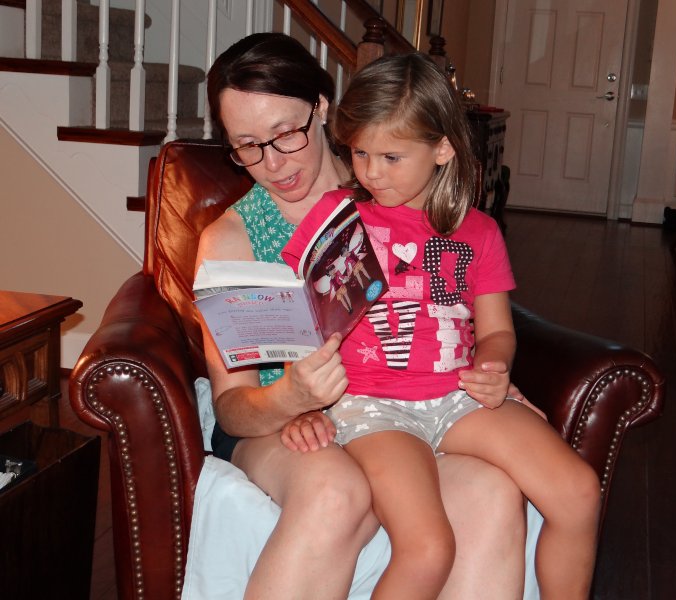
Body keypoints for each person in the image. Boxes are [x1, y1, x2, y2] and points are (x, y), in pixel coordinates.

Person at [196, 32, 533, 599]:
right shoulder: (230, 240)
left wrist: (489, 374)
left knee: (492, 491)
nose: (273, 163)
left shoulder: (397, 182)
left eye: (286, 133)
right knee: (336, 491)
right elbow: (232, 407)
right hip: (281, 427)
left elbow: (459, 302)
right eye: (247, 146)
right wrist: (291, 400)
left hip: (409, 407)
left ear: (322, 108)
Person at [281, 53, 602, 600]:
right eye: (359, 153)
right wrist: (302, 401)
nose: (371, 172)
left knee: (579, 491)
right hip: (371, 405)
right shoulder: (338, 215)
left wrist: (493, 366)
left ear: (443, 149)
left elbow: (497, 331)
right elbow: (298, 319)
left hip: (458, 398)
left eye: (391, 156)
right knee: (428, 549)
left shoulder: (479, 232)